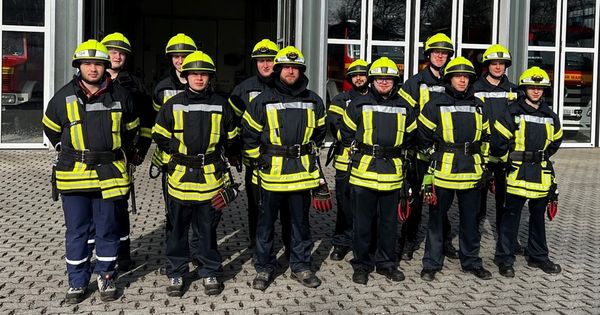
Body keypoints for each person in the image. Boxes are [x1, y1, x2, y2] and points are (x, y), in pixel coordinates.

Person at [42, 39, 139, 303]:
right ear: (79, 66)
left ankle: (107, 276)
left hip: (110, 173)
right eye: (87, 64)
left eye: (98, 64)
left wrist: (127, 153)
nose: (93, 69)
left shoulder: (121, 96)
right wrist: (66, 147)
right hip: (74, 175)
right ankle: (77, 281)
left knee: (108, 229)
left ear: (106, 66)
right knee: (77, 231)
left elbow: (132, 130)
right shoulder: (62, 97)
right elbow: (50, 127)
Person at [152, 50, 239, 296]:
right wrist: (178, 155)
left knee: (207, 230)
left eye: (203, 74)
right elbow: (159, 134)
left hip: (210, 178)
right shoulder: (173, 104)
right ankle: (176, 273)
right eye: (194, 74)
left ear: (210, 77)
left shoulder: (222, 104)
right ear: (186, 76)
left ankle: (209, 269)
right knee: (177, 229)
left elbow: (232, 138)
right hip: (180, 178)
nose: (199, 79)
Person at [242, 46, 327, 291]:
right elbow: (248, 137)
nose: (291, 71)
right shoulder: (261, 100)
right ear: (278, 70)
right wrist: (257, 162)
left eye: (295, 68)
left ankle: (301, 266)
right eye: (286, 67)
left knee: (300, 225)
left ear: (301, 71)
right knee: (265, 226)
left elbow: (320, 133)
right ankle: (264, 268)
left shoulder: (313, 100)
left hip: (301, 176)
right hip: (269, 177)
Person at [340, 57, 416, 284]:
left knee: (388, 224)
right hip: (363, 173)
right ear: (372, 80)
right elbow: (345, 133)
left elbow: (411, 136)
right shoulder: (357, 104)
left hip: (392, 175)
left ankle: (386, 264)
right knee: (362, 224)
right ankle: (362, 265)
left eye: (389, 78)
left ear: (395, 81)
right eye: (380, 78)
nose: (384, 82)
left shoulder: (405, 106)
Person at [419, 56, 492, 281]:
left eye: (466, 77)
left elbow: (486, 138)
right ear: (449, 79)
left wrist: (485, 164)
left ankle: (471, 261)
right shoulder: (434, 104)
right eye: (458, 76)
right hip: (443, 172)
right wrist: (435, 158)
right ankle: (431, 263)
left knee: (470, 221)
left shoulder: (479, 106)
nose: (462, 80)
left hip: (471, 171)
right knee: (436, 221)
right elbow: (422, 137)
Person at [492, 66, 563, 278]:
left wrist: (538, 158)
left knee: (538, 217)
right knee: (510, 217)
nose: (536, 91)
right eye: (532, 87)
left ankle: (538, 256)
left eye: (540, 88)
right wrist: (509, 161)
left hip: (540, 175)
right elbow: (498, 142)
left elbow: (555, 142)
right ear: (524, 89)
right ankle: (504, 258)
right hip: (516, 173)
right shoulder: (512, 111)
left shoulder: (550, 115)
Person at [398, 33, 458, 260]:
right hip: (419, 152)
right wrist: (422, 139)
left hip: (444, 154)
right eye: (437, 52)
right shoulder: (415, 83)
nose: (441, 56)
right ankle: (407, 241)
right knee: (415, 201)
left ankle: (443, 242)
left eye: (444, 53)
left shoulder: (452, 81)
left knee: (439, 201)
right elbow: (405, 115)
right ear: (429, 55)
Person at [228, 39, 291, 254]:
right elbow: (231, 123)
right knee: (257, 205)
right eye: (261, 61)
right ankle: (258, 244)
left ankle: (289, 244)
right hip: (255, 159)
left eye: (270, 60)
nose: (266, 65)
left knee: (286, 206)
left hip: (285, 160)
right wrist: (234, 151)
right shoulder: (243, 90)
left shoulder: (287, 87)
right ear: (255, 63)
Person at [100, 32, 153, 271]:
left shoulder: (136, 86)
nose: (116, 56)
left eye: (120, 52)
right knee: (95, 208)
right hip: (94, 155)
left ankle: (122, 254)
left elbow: (146, 122)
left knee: (119, 207)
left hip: (122, 155)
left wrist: (140, 151)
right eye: (112, 51)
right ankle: (99, 256)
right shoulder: (91, 81)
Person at [148, 33, 198, 273]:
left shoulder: (203, 82)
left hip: (199, 162)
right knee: (173, 212)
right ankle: (175, 254)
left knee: (200, 212)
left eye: (184, 56)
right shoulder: (162, 88)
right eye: (176, 56)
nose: (180, 60)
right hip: (170, 161)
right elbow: (157, 125)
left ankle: (199, 252)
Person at [472, 44, 521, 236]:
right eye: (494, 63)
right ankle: (472, 237)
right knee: (477, 201)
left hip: (506, 155)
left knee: (506, 200)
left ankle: (506, 239)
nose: (498, 67)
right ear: (487, 65)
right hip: (481, 154)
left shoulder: (515, 91)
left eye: (501, 64)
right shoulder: (474, 88)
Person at [326, 58, 369, 261]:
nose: (359, 78)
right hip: (346, 161)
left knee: (368, 205)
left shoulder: (376, 99)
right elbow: (336, 126)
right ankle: (341, 243)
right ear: (350, 78)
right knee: (344, 206)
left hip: (369, 163)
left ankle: (366, 243)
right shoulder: (340, 100)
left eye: (363, 74)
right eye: (355, 75)